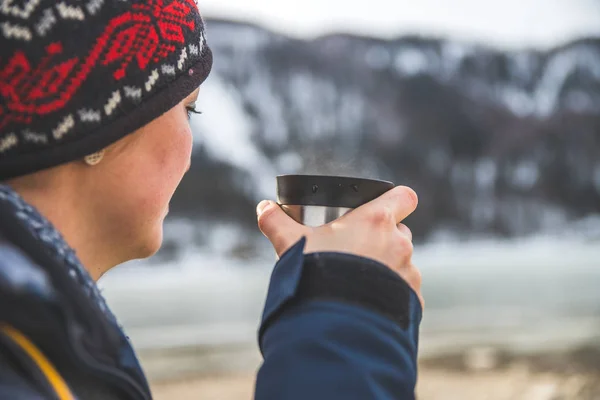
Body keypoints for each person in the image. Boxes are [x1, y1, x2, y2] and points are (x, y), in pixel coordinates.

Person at [0, 1, 423, 399]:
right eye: (189, 109)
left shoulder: (36, 338)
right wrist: (346, 318)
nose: (189, 151)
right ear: (95, 121)